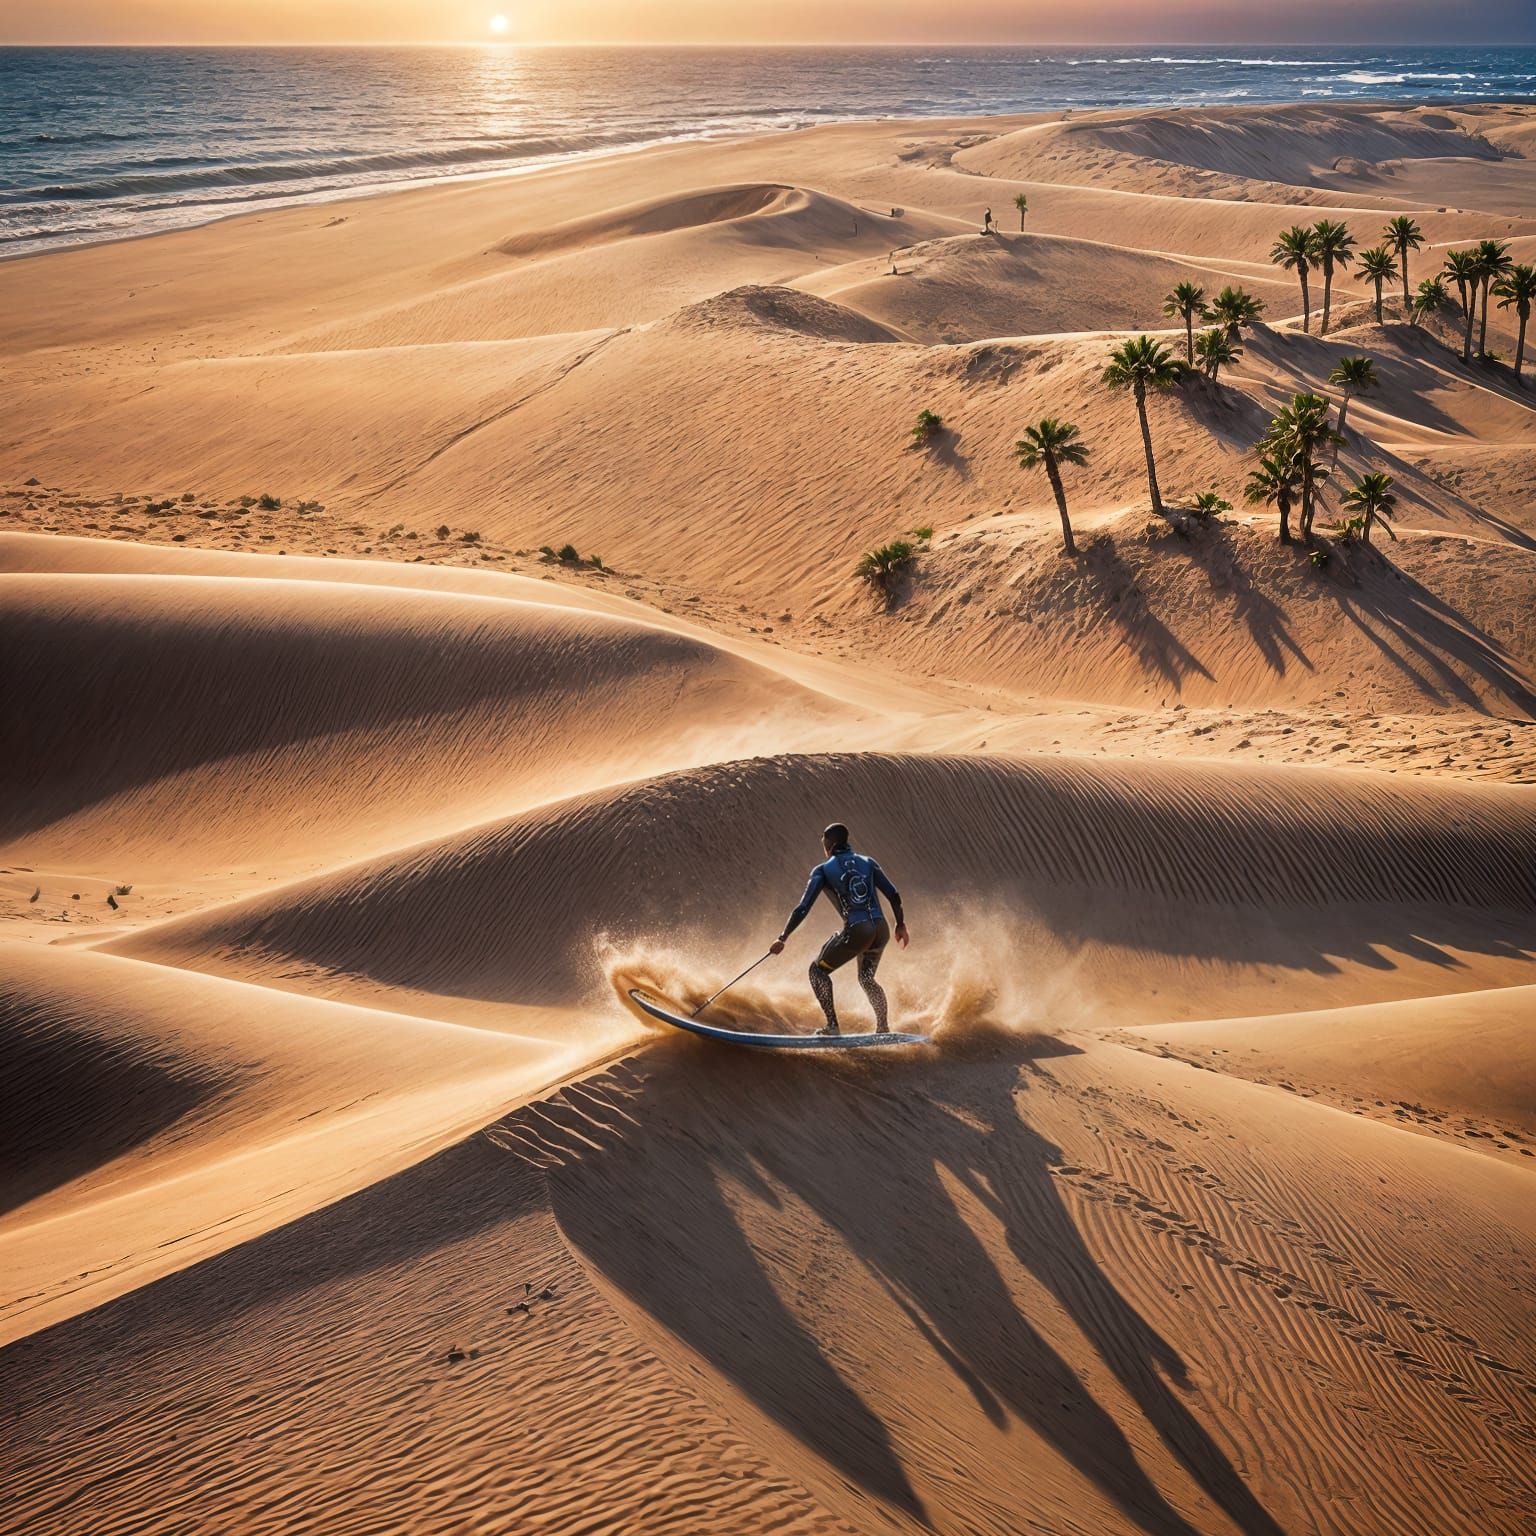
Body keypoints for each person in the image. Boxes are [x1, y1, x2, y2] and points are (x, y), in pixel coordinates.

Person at [769, 823, 909, 1036]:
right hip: (881, 930)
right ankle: (883, 1026)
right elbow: (894, 894)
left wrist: (783, 937)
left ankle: (832, 1026)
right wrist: (900, 924)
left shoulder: (823, 870)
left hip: (857, 931)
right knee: (867, 979)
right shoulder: (868, 862)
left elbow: (803, 908)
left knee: (817, 972)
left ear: (830, 845)